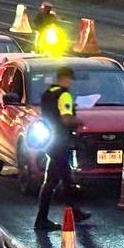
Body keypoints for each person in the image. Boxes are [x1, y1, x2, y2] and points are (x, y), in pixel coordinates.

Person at [34, 65, 91, 231]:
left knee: (63, 179)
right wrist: (79, 121)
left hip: (51, 141)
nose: (71, 83)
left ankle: (74, 212)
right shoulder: (64, 95)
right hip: (60, 142)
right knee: (54, 181)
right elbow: (66, 119)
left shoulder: (47, 94)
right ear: (66, 78)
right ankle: (42, 218)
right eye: (71, 79)